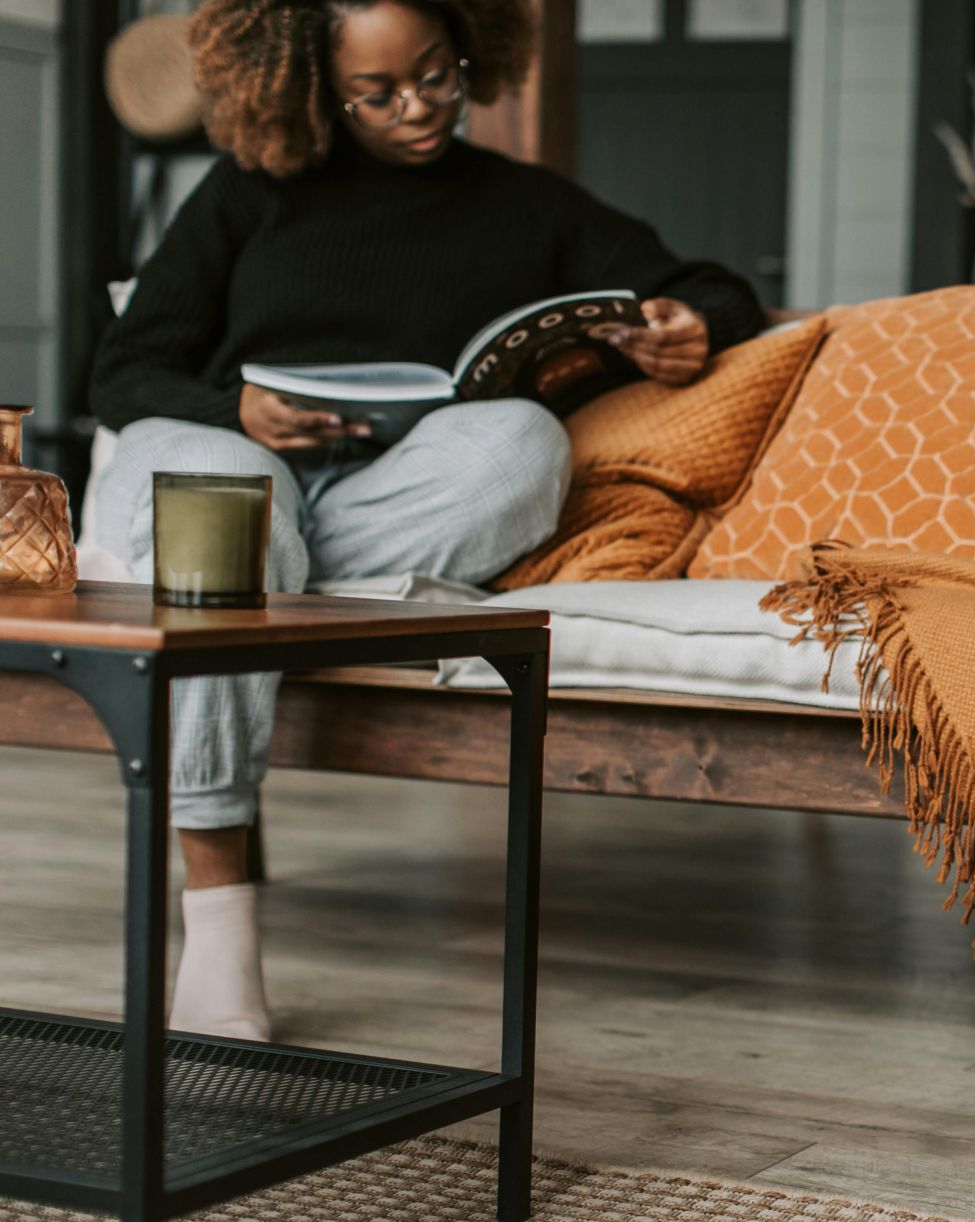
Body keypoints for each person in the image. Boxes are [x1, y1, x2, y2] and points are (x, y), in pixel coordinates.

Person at [89, 0, 763, 1042]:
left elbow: (706, 285)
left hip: (379, 500)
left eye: (438, 75)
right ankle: (219, 923)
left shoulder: (524, 204)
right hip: (219, 456)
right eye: (380, 91)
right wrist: (239, 410)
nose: (420, 107)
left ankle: (270, 578)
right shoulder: (248, 191)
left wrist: (690, 326)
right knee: (232, 506)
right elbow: (126, 370)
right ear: (314, 84)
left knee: (521, 443)